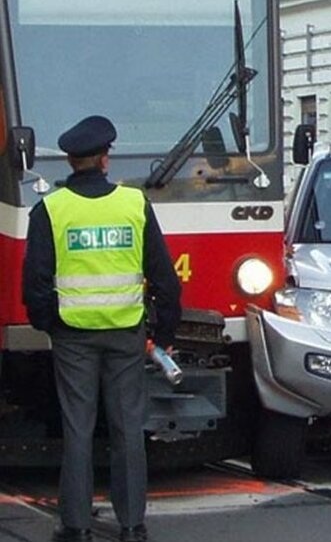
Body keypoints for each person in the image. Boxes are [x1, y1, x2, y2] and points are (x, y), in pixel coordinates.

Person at [22, 115, 181, 542]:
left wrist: (49, 324)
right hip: (126, 332)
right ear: (105, 159)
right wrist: (164, 335)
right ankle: (132, 526)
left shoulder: (51, 209)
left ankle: (75, 526)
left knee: (78, 428)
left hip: (73, 334)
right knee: (128, 428)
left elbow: (35, 281)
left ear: (71, 161)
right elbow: (165, 279)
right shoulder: (133, 204)